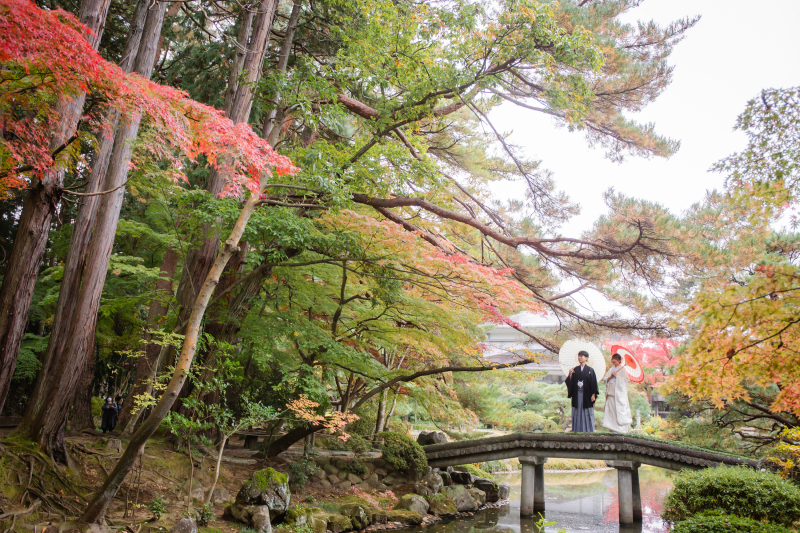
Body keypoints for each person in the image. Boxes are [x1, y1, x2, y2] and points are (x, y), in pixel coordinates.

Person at [565, 350, 599, 432]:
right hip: (577, 394)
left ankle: (588, 429)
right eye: (579, 356)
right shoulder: (575, 369)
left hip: (587, 395)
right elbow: (570, 382)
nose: (579, 358)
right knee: (577, 411)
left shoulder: (590, 370)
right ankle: (577, 429)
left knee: (586, 411)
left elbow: (594, 383)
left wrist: (593, 394)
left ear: (586, 358)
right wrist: (570, 374)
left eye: (582, 356)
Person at [602, 353, 633, 433]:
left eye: (615, 359)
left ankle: (619, 429)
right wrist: (610, 377)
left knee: (617, 412)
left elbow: (625, 381)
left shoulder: (622, 369)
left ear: (619, 360)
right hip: (610, 394)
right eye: (613, 359)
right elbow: (605, 379)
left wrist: (617, 377)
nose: (613, 360)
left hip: (618, 396)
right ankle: (611, 428)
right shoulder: (611, 369)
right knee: (610, 412)